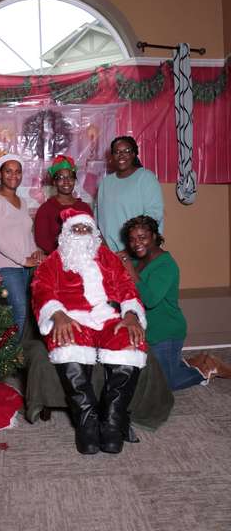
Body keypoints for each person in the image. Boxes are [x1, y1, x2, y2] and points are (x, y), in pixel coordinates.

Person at [31, 207, 147, 455]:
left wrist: (130, 314)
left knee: (129, 342)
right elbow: (42, 291)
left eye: (86, 228)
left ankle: (112, 424)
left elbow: (127, 287)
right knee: (67, 344)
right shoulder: (53, 261)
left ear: (94, 232)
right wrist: (58, 314)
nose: (82, 232)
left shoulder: (107, 257)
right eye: (76, 228)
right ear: (66, 233)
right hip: (71, 317)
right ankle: (87, 424)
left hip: (107, 317)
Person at [119, 215, 231, 389]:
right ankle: (190, 362)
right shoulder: (137, 260)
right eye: (132, 239)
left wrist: (129, 270)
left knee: (164, 384)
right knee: (141, 376)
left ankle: (208, 367)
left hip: (166, 333)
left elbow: (150, 300)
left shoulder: (166, 265)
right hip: (146, 332)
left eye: (142, 237)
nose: (136, 243)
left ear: (154, 237)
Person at [0, 153, 44, 341]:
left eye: (18, 172)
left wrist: (34, 250)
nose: (13, 176)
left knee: (23, 315)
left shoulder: (23, 201)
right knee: (19, 312)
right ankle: (8, 360)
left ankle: (13, 358)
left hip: (25, 269)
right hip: (6, 268)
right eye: (8, 171)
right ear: (0, 174)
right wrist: (23, 259)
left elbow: (27, 233)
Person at [97, 136, 164, 251]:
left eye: (126, 151)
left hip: (138, 250)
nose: (121, 155)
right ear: (112, 156)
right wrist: (106, 249)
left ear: (134, 154)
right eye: (117, 152)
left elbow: (154, 215)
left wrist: (131, 248)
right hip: (111, 253)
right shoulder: (105, 183)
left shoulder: (146, 178)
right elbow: (98, 219)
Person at [34, 155, 94, 255]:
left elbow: (92, 236)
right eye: (60, 178)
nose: (66, 181)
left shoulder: (84, 208)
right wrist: (65, 255)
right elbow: (42, 240)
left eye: (70, 177)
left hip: (84, 260)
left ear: (75, 180)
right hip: (57, 261)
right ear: (54, 182)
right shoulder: (45, 209)